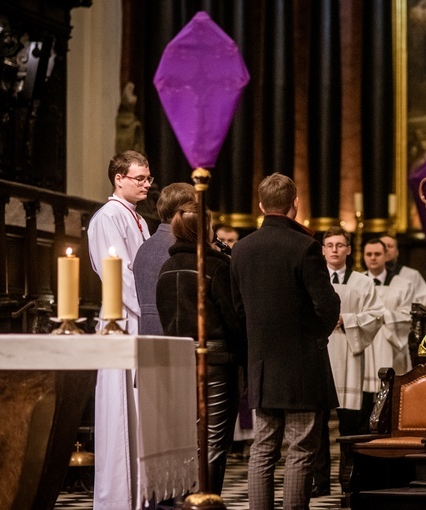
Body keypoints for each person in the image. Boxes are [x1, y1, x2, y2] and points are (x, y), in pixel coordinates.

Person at [230, 173, 341, 509]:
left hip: (261, 364)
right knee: (300, 449)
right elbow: (327, 305)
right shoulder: (305, 247)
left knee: (262, 448)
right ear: (295, 204)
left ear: (261, 205)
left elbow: (238, 310)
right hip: (302, 364)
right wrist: (314, 337)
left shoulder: (241, 249)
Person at [156, 201, 245, 494]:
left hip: (178, 361)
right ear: (203, 229)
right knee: (213, 442)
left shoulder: (166, 268)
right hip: (215, 362)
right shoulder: (216, 266)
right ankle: (206, 501)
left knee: (186, 441)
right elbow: (234, 319)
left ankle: (187, 499)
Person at [87, 150, 152, 509]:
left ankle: (139, 493)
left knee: (137, 412)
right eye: (139, 178)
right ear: (119, 179)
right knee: (119, 413)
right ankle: (116, 498)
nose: (146, 184)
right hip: (122, 319)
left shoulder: (137, 218)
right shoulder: (108, 217)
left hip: (138, 320)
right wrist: (148, 312)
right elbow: (121, 274)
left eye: (148, 178)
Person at [312, 226, 383, 497]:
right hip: (320, 354)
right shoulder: (315, 280)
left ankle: (350, 479)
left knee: (351, 424)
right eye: (329, 245)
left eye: (339, 245)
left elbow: (376, 316)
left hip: (351, 356)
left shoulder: (363, 282)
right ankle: (320, 481)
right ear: (322, 250)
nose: (334, 249)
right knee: (317, 425)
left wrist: (347, 320)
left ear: (349, 249)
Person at [133, 182, 194, 335]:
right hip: (174, 338)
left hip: (146, 334)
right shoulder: (180, 248)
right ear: (185, 213)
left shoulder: (144, 248)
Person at [362, 238, 415, 390]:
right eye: (369, 254)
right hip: (365, 345)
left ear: (386, 255)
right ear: (364, 256)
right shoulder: (357, 282)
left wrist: (378, 316)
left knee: (392, 391)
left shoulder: (404, 283)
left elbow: (406, 315)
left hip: (393, 345)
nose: (373, 258)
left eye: (377, 254)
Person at [380, 234, 426, 305]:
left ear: (397, 251)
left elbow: (419, 302)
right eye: (383, 246)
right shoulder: (365, 277)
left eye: (390, 246)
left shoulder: (412, 275)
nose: (386, 249)